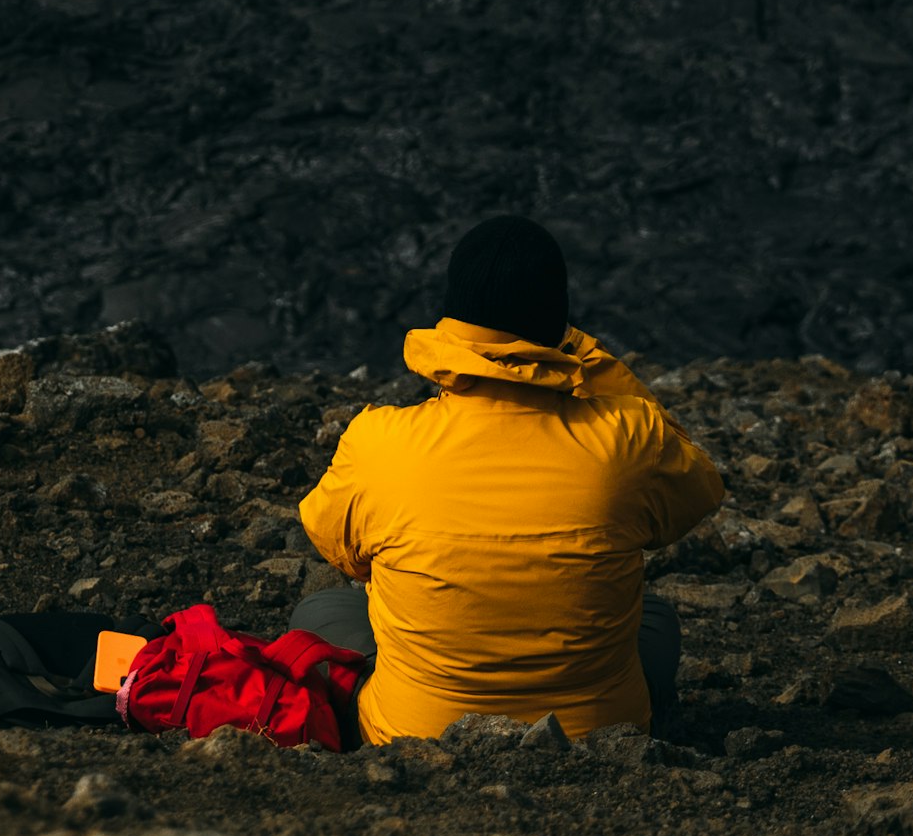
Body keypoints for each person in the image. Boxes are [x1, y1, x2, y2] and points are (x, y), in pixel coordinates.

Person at [291, 216, 724, 742]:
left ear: (452, 319)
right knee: (654, 620)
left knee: (322, 609)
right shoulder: (629, 437)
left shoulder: (378, 440)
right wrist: (588, 359)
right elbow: (700, 488)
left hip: (414, 737)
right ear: (557, 320)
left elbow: (343, 555)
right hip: (596, 734)